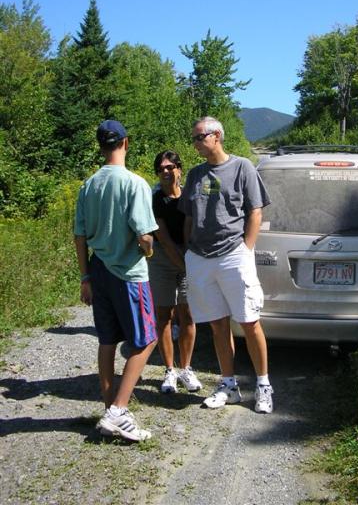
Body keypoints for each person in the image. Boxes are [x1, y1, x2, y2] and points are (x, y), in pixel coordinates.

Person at [179, 116, 274, 413]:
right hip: (201, 258)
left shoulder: (242, 166)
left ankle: (262, 385)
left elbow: (255, 211)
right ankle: (229, 385)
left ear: (217, 136)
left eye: (199, 137)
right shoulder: (195, 175)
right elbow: (189, 218)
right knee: (218, 325)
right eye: (193, 137)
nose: (194, 142)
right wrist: (187, 253)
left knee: (249, 322)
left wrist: (247, 249)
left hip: (234, 253)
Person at [74, 120, 159, 442]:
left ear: (101, 145)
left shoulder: (88, 185)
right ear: (126, 142)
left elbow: (80, 235)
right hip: (128, 273)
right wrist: (149, 249)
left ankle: (111, 407)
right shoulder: (134, 183)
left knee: (107, 340)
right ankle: (118, 410)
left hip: (98, 271)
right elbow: (144, 236)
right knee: (146, 339)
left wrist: (85, 277)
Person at [149, 150, 202, 394]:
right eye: (161, 169)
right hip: (162, 258)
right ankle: (169, 370)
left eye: (170, 167)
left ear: (180, 169)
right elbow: (164, 238)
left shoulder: (190, 196)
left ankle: (186, 368)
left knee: (188, 314)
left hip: (188, 255)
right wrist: (186, 267)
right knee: (164, 315)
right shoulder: (155, 198)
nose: (166, 172)